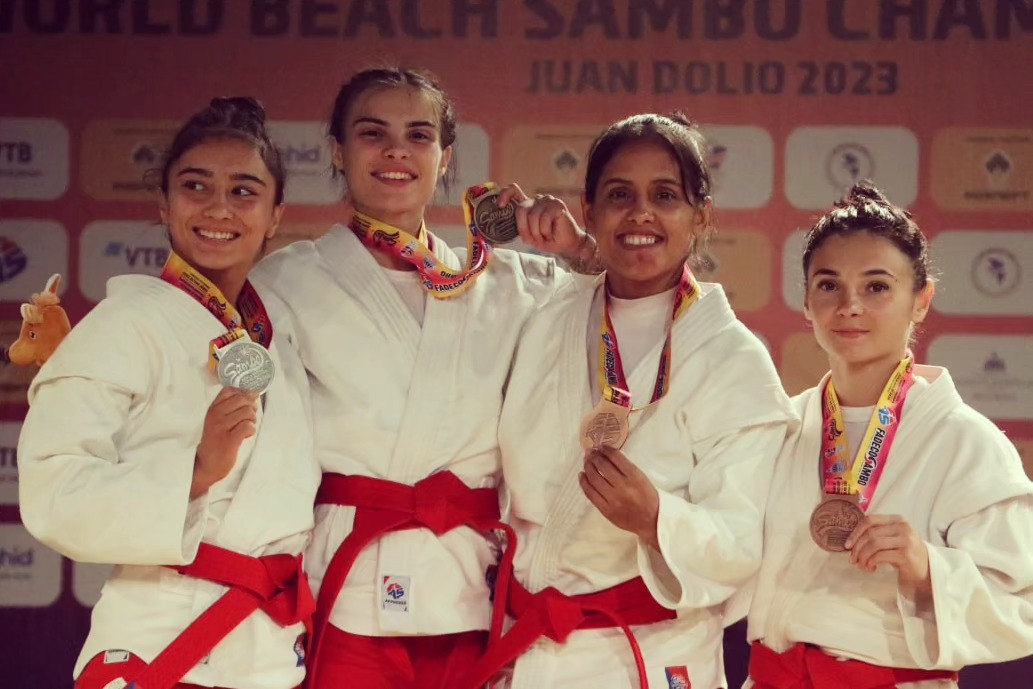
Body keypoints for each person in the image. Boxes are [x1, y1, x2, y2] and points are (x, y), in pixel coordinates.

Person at [251, 67, 600, 689]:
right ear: (338, 150)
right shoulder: (286, 282)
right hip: (347, 588)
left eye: (418, 135)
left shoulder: (505, 283)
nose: (396, 152)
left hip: (465, 589)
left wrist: (579, 250)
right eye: (372, 133)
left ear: (445, 157)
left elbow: (629, 316)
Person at [455, 112, 796, 689]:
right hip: (529, 645)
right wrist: (572, 248)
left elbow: (743, 541)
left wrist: (657, 519)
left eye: (665, 196)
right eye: (619, 195)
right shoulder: (546, 314)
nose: (641, 213)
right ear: (588, 212)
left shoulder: (734, 361)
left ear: (701, 215)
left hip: (649, 652)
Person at [18, 97, 320, 689]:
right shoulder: (123, 323)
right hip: (161, 644)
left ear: (275, 215)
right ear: (164, 203)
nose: (218, 208)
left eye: (243, 191)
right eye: (195, 186)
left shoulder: (279, 336)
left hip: (267, 655)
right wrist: (195, 472)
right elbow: (52, 492)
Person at [743, 182, 1033, 689]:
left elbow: (1023, 606)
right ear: (806, 302)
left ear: (921, 300)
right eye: (828, 285)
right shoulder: (782, 428)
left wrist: (928, 566)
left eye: (876, 287)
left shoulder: (966, 442)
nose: (849, 306)